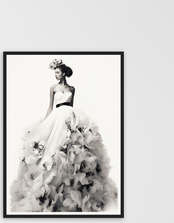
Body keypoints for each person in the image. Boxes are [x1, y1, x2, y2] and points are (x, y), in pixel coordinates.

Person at [10, 58, 118, 213]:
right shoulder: (53, 88)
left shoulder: (72, 89)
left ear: (63, 72)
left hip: (70, 117)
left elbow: (71, 106)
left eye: (58, 72)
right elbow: (50, 107)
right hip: (56, 117)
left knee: (71, 148)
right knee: (52, 148)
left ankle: (72, 187)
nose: (56, 75)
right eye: (54, 73)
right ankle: (49, 184)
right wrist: (45, 123)